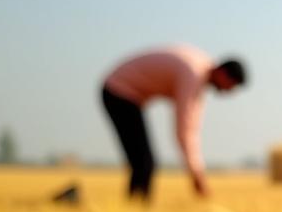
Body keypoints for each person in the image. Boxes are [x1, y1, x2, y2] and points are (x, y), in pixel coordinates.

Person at [101, 46, 247, 200]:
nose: (228, 92)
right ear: (223, 74)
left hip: (124, 92)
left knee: (143, 162)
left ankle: (135, 209)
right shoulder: (193, 75)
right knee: (144, 163)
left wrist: (196, 171)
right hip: (119, 91)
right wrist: (197, 175)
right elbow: (185, 131)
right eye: (230, 86)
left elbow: (191, 123)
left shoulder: (199, 67)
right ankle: (135, 210)